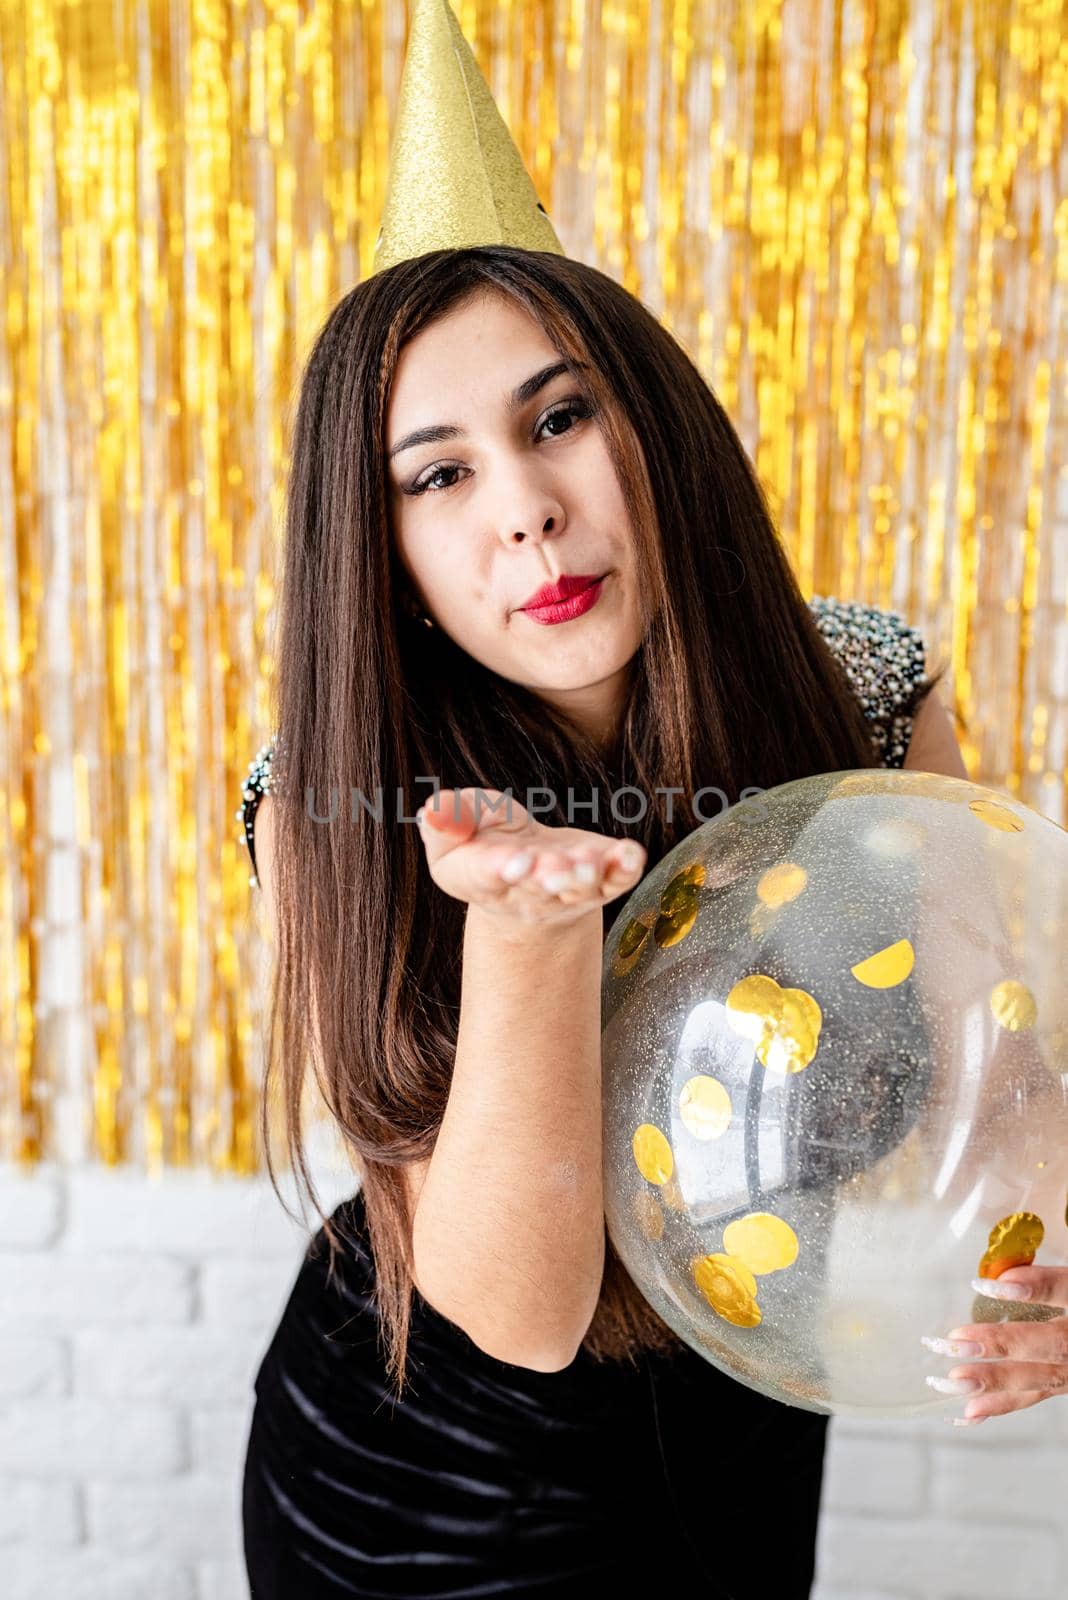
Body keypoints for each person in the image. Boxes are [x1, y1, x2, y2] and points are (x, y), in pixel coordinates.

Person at [234, 4, 1041, 1596]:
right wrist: (525, 929)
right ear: (380, 555)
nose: (527, 511)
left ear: (654, 429)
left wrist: (1056, 1252)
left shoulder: (862, 698)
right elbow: (523, 1315)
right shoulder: (330, 799)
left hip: (741, 1436)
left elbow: (1000, 1081)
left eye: (557, 418)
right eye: (438, 473)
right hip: (417, 1487)